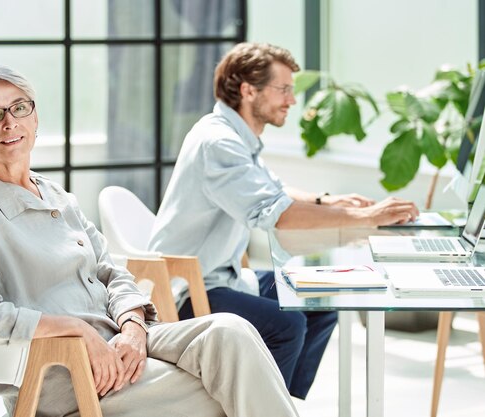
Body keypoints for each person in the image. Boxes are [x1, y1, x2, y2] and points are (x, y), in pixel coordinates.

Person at [0, 65, 301, 417]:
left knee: (230, 333)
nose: (9, 122)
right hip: (58, 369)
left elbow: (113, 273)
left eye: (19, 108)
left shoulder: (56, 195)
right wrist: (76, 329)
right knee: (231, 384)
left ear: (35, 119)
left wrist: (134, 330)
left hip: (116, 342)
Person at [148, 42, 420, 400]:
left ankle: (285, 404)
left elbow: (274, 191)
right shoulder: (219, 142)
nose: (292, 100)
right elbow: (278, 214)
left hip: (223, 276)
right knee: (287, 324)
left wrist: (328, 200)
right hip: (189, 289)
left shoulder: (234, 135)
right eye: (284, 89)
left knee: (321, 304)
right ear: (248, 91)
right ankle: (262, 407)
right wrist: (366, 216)